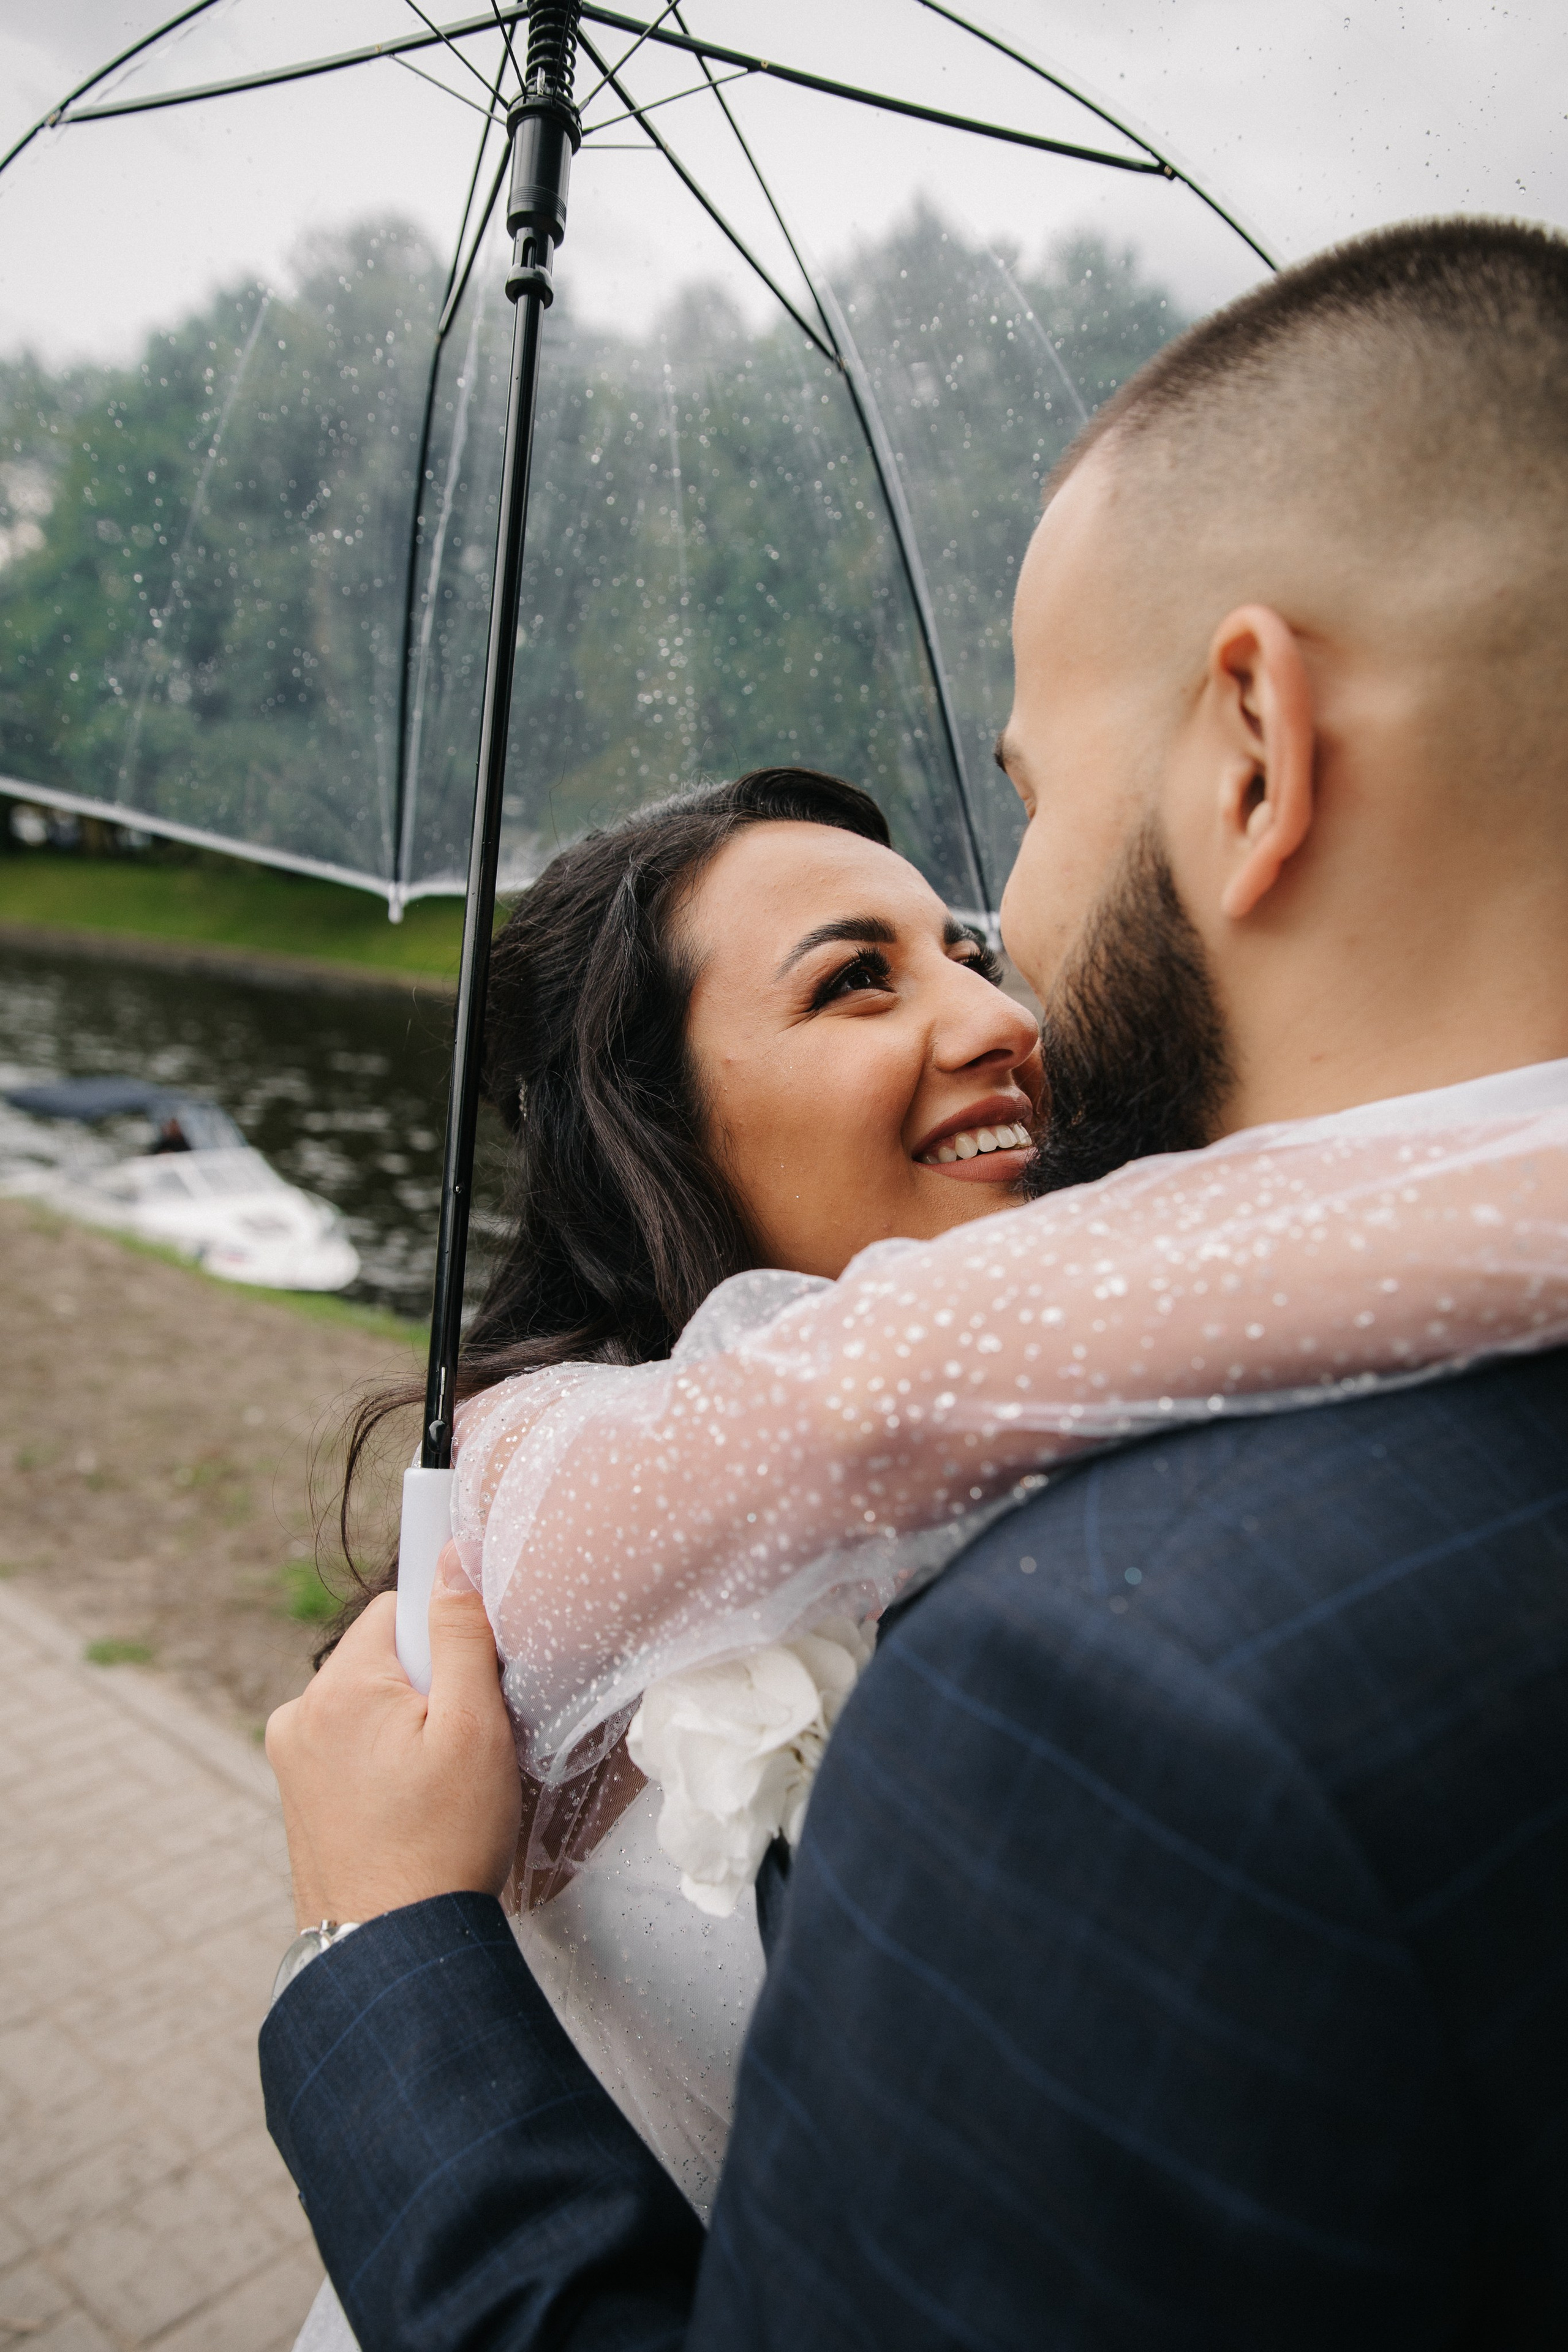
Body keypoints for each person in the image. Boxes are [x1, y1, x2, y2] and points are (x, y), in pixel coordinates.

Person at [263, 217, 1568, 2346]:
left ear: (1251, 742)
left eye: (989, 882)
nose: (1007, 980)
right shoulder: (564, 1463)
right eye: (858, 978)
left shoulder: (1123, 1557)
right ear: (660, 1134)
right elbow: (866, 1397)